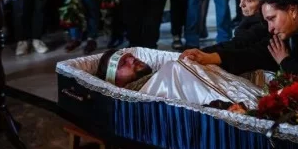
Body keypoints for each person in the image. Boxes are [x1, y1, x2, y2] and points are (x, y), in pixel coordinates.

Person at [181, 0, 280, 75]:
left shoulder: (267, 27)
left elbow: (246, 51)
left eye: (248, 0)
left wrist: (208, 56)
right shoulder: (252, 19)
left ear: (265, 3)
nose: (241, 4)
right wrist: (201, 52)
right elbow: (235, 44)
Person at [96, 49, 263, 109]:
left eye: (130, 56)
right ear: (115, 81)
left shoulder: (159, 73)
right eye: (123, 63)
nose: (132, 60)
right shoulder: (143, 90)